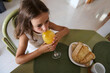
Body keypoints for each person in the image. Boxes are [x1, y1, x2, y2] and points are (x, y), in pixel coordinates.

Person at [15, 0, 69, 64]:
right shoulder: (25, 35)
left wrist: (59, 35)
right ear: (28, 25)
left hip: (48, 50)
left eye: (47, 21)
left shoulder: (48, 24)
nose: (45, 28)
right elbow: (18, 60)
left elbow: (66, 29)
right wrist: (40, 51)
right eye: (39, 25)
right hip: (35, 53)